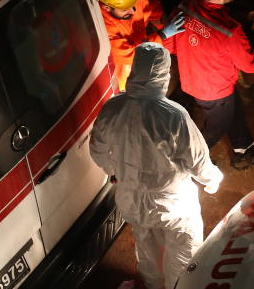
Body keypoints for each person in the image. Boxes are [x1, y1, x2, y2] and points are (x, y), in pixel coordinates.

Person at [89, 43, 223, 289]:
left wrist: (114, 171)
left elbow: (97, 149)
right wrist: (212, 181)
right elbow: (197, 160)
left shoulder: (112, 108)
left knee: (147, 248)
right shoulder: (173, 115)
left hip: (132, 200)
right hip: (173, 203)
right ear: (164, 74)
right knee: (184, 252)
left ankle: (152, 285)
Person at [163, 0, 254, 169]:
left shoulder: (185, 7)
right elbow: (249, 65)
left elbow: (169, 45)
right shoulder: (229, 30)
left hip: (193, 80)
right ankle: (188, 163)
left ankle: (244, 151)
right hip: (215, 90)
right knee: (216, 128)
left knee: (235, 112)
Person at [94, 0, 182, 91]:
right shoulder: (102, 29)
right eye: (125, 10)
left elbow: (153, 8)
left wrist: (164, 25)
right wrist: (162, 35)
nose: (133, 11)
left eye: (133, 5)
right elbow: (132, 54)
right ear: (107, 8)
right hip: (127, 71)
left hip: (146, 49)